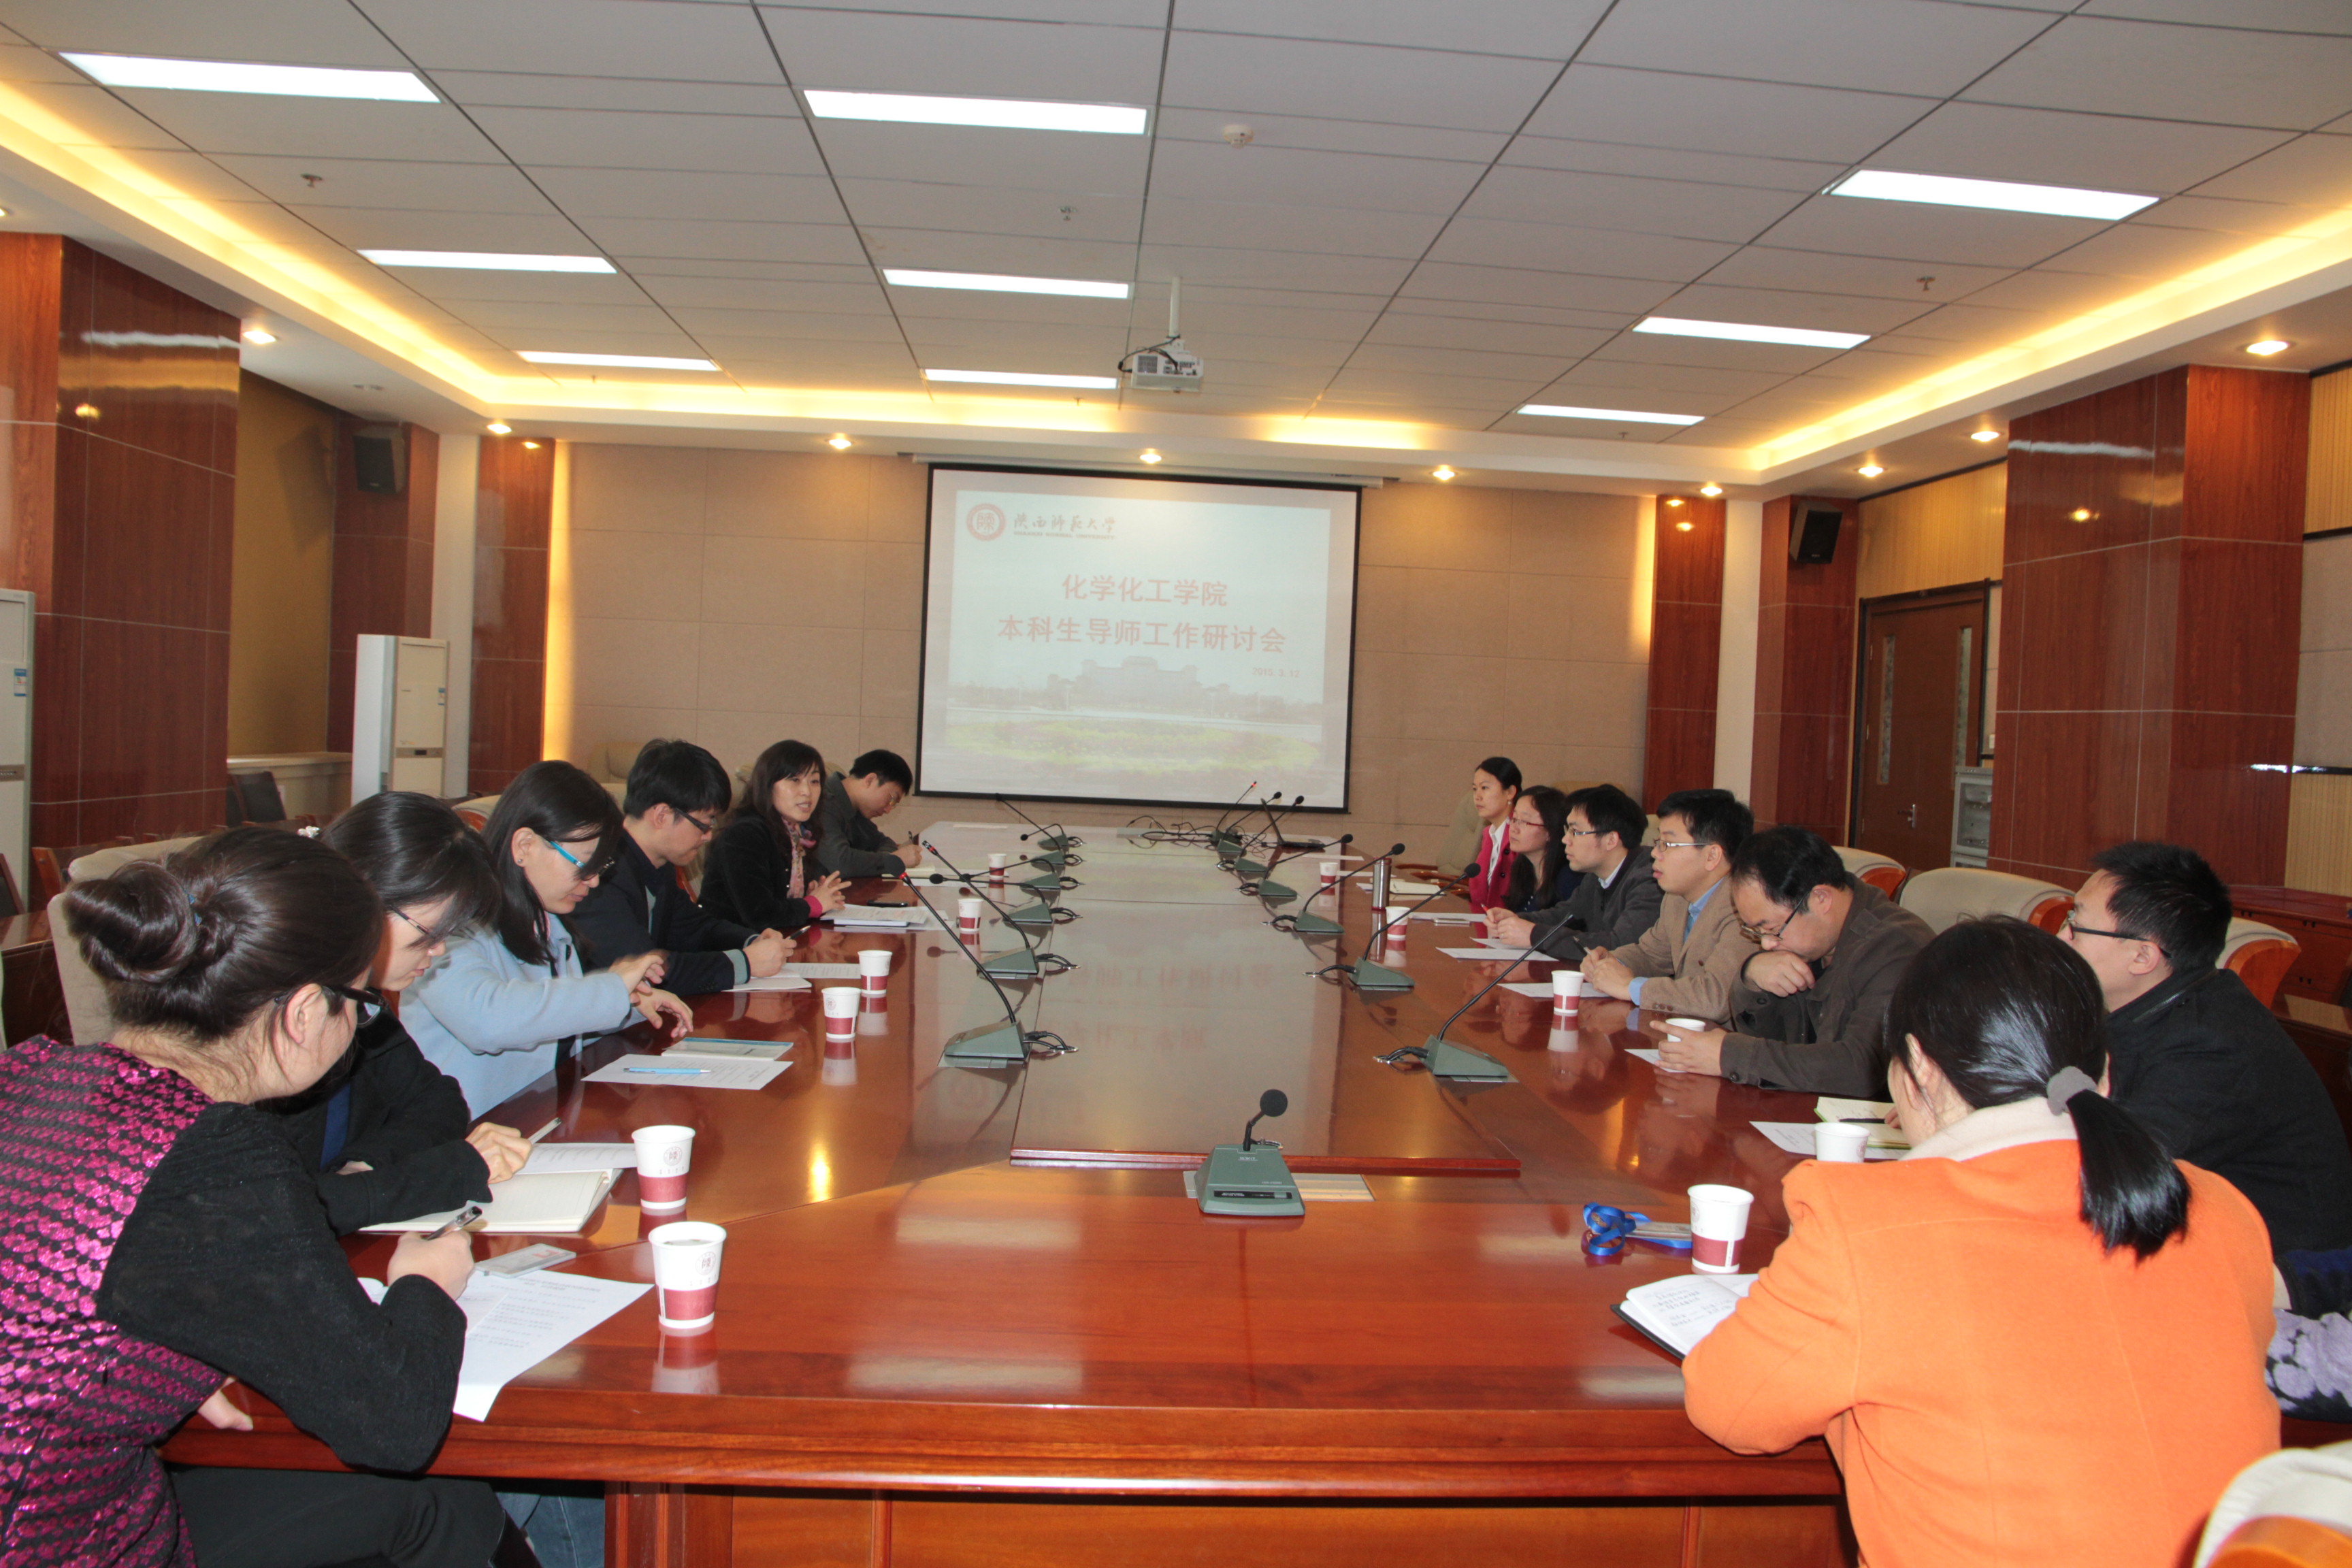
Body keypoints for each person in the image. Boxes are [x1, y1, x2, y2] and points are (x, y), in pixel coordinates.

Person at [1684, 919, 2278, 1568]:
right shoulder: (2221, 1207)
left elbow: (1731, 1409)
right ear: (2104, 1073)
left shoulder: (1868, 1223)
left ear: (1917, 1068)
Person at [7, 828, 502, 1566]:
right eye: (360, 1005)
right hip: (64, 1542)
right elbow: (394, 1425)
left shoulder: (29, 1074)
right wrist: (425, 1285)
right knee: (438, 1494)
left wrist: (164, 1357)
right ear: (304, 1012)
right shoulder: (216, 1155)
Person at [2060, 840, 2352, 1256]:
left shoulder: (2210, 1047)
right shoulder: (2156, 1007)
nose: (2060, 936)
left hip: (2286, 1271)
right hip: (2203, 1241)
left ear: (2142, 957)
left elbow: (2106, 1173)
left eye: (2076, 924)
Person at [266, 791, 526, 1233]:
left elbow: (438, 1101)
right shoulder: (271, 1012)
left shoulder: (363, 1003)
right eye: (430, 931)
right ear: (366, 898)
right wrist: (439, 1173)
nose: (439, 950)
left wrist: (364, 1168)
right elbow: (268, 1212)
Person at [408, 760, 690, 1117]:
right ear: (525, 845)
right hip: (466, 1132)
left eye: (600, 868)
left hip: (535, 1120)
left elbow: (550, 1032)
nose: (594, 882)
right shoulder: (451, 924)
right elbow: (489, 1021)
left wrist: (628, 1005)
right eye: (584, 864)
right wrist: (610, 990)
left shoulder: (551, 925)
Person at [1656, 824, 1934, 1096]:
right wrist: (1751, 975)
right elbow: (1775, 1043)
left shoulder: (1896, 947)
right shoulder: (1810, 940)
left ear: (1821, 899)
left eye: (1771, 928)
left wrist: (1729, 1054)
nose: (1767, 944)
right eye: (1755, 932)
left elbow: (1862, 1069)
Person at [564, 739, 793, 996]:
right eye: (704, 823)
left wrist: (752, 940)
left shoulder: (657, 863)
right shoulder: (601, 874)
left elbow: (693, 927)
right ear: (662, 815)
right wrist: (746, 963)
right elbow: (646, 971)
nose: (708, 836)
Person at [1582, 788, 1755, 1019]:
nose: (1655, 853)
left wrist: (1631, 987)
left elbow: (1717, 998)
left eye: (1668, 844)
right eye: (1658, 842)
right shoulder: (1677, 899)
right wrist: (1610, 961)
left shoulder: (1744, 909)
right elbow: (1651, 954)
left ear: (1712, 856)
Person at [1486, 783, 1660, 962]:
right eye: (1567, 830)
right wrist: (1516, 920)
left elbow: (1620, 946)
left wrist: (1534, 935)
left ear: (1611, 840)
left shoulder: (1650, 879)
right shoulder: (1595, 877)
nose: (1565, 839)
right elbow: (1564, 915)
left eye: (1575, 832)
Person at [699, 738, 849, 934]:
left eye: (814, 781)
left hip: (773, 941)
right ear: (768, 785)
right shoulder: (745, 834)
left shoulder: (797, 833)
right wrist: (811, 905)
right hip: (730, 946)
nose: (807, 792)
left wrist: (812, 892)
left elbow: (782, 897)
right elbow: (760, 915)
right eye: (794, 780)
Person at [813, 748, 924, 880]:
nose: (888, 810)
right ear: (870, 780)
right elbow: (840, 863)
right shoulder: (823, 803)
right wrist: (894, 860)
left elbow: (884, 842)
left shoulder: (854, 806)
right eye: (892, 799)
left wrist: (884, 858)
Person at [1484, 784, 1579, 919]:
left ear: (1550, 831)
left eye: (1524, 821)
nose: (1514, 829)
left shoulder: (1569, 880)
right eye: (1514, 819)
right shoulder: (1522, 869)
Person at [1458, 757, 1520, 909]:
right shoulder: (1490, 833)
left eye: (1485, 788)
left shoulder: (1519, 834)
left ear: (1510, 792)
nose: (1477, 796)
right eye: (1475, 789)